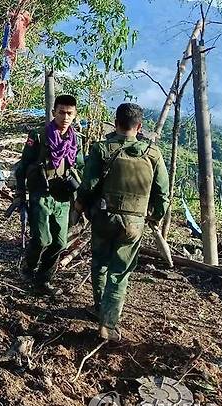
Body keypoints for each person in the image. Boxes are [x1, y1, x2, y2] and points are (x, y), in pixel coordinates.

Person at [75, 103, 169, 341]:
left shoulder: (101, 149)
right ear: (139, 127)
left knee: (100, 264)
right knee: (120, 272)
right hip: (133, 223)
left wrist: (80, 206)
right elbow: (163, 194)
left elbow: (89, 185)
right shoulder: (153, 154)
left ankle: (99, 308)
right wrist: (156, 217)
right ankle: (108, 323)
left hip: (104, 218)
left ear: (115, 123)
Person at [14, 95, 82, 295]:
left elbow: (81, 165)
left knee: (60, 243)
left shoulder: (74, 139)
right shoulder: (39, 135)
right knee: (42, 240)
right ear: (54, 113)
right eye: (61, 112)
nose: (65, 117)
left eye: (70, 113)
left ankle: (43, 279)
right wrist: (20, 193)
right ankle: (28, 266)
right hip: (41, 195)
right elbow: (23, 167)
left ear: (75, 114)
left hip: (62, 197)